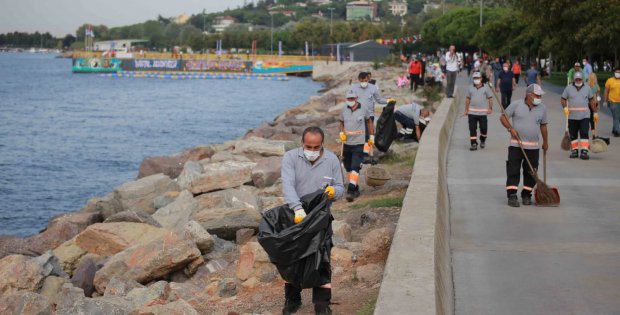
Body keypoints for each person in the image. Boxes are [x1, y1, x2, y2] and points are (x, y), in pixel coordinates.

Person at [281, 126, 344, 315]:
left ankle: (322, 303)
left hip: (321, 217)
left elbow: (341, 187)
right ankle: (292, 299)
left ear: (322, 144)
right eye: (309, 146)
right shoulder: (291, 158)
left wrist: (335, 192)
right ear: (302, 143)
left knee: (322, 259)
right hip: (296, 215)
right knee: (292, 259)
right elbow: (288, 185)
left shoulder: (331, 159)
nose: (312, 151)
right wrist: (297, 208)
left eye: (316, 147)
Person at [500, 84, 548, 207]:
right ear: (529, 95)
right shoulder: (516, 105)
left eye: (540, 95)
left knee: (531, 172)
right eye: (537, 95)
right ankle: (512, 195)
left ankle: (527, 195)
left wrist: (546, 142)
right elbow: (503, 118)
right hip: (516, 145)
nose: (539, 97)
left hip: (533, 147)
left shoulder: (542, 108)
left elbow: (543, 126)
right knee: (513, 170)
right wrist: (511, 129)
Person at [339, 90, 374, 202]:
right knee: (348, 168)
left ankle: (350, 190)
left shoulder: (363, 109)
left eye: (352, 98)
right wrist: (341, 132)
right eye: (348, 99)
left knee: (355, 167)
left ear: (356, 98)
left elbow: (369, 121)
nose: (350, 100)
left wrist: (371, 135)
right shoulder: (344, 109)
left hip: (359, 143)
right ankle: (355, 187)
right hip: (346, 144)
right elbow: (341, 122)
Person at [349, 72, 388, 156]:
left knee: (368, 135)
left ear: (368, 80)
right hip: (358, 115)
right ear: (359, 80)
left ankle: (366, 153)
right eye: (362, 80)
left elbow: (379, 100)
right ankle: (359, 152)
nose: (364, 82)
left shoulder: (373, 88)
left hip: (369, 115)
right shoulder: (354, 87)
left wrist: (388, 101)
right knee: (359, 135)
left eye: (366, 80)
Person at [561, 72, 596, 159]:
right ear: (574, 79)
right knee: (573, 134)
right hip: (572, 116)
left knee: (584, 133)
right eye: (576, 79)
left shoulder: (587, 88)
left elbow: (591, 100)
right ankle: (574, 150)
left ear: (582, 79)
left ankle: (584, 151)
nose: (578, 81)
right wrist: (565, 107)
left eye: (579, 79)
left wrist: (595, 112)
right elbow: (563, 99)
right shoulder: (568, 88)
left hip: (584, 115)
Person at [466, 72, 493, 150]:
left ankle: (482, 140)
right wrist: (466, 109)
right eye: (474, 78)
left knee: (484, 129)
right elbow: (467, 99)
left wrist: (490, 108)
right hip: (472, 113)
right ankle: (473, 143)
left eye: (477, 78)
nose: (476, 80)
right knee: (472, 128)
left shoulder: (486, 87)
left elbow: (490, 98)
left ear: (481, 79)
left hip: (483, 113)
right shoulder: (470, 87)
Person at [604, 66, 620, 137]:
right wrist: (605, 101)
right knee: (616, 116)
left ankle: (614, 129)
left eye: (619, 72)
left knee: (617, 117)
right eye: (616, 72)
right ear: (614, 73)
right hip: (613, 101)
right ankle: (617, 131)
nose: (618, 73)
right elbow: (606, 91)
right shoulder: (610, 80)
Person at [588, 72, 601, 137]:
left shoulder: (586, 86)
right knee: (594, 117)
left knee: (589, 118)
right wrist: (598, 104)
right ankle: (595, 133)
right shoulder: (597, 86)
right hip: (594, 103)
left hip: (587, 103)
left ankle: (593, 132)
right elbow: (598, 96)